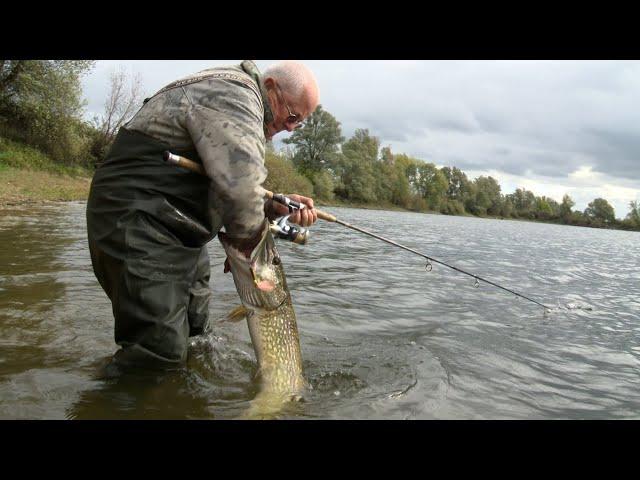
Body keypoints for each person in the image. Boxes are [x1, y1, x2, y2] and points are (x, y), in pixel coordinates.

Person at [86, 60, 320, 369]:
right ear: (271, 88)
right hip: (137, 217)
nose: (291, 128)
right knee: (158, 352)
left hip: (180, 229)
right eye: (292, 116)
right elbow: (239, 190)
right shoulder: (235, 95)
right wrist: (255, 258)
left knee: (197, 338)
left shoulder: (245, 110)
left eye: (298, 123)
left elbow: (230, 184)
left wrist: (272, 206)